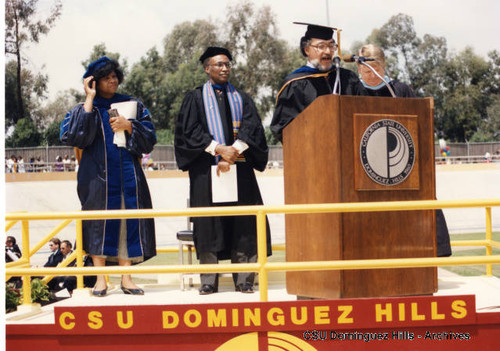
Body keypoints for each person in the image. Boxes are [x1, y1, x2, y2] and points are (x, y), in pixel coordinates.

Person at [175, 47, 271, 295]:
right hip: (207, 172)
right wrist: (218, 149)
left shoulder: (242, 98)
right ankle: (208, 281)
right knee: (208, 225)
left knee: (244, 224)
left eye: (228, 64)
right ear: (207, 68)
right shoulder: (194, 98)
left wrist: (234, 151)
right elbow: (189, 132)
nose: (225, 68)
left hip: (240, 169)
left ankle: (245, 280)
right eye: (218, 64)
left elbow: (252, 129)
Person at [60, 56, 157, 296]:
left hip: (128, 178)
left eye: (114, 76)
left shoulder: (132, 104)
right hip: (97, 180)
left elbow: (150, 138)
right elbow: (75, 138)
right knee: (97, 226)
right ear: (94, 82)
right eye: (106, 77)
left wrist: (130, 125)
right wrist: (90, 100)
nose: (112, 80)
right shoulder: (82, 109)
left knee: (127, 222)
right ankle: (100, 280)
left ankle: (126, 278)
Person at [357, 43, 452, 257]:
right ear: (358, 70)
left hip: (400, 166)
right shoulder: (354, 90)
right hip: (365, 166)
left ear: (383, 66)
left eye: (375, 69)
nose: (371, 75)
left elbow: (419, 124)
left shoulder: (399, 90)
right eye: (365, 70)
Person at [271, 23, 367, 140]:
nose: (327, 51)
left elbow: (365, 114)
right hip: (311, 153)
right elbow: (283, 128)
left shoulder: (347, 78)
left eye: (331, 46)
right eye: (321, 46)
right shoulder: (295, 83)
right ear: (307, 50)